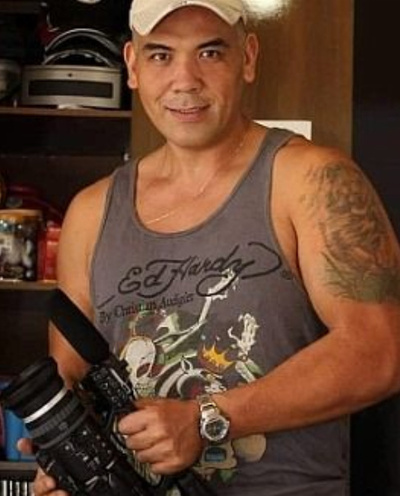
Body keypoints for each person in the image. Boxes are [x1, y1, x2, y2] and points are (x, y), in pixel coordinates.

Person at [20, 0, 400, 494]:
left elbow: (381, 349)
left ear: (248, 58)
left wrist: (207, 418)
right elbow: (72, 377)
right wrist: (64, 462)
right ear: (132, 65)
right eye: (161, 55)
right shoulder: (91, 212)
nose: (185, 80)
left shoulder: (311, 180)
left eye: (210, 52)